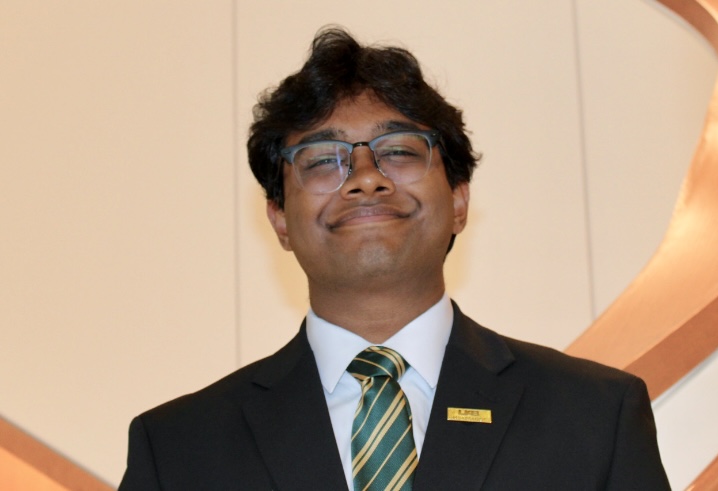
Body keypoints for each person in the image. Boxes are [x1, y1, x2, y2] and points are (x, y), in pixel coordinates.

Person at [120, 27, 670, 490]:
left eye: (399, 151)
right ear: (280, 218)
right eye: (323, 160)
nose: (365, 178)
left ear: (459, 201)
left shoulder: (596, 415)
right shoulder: (177, 448)